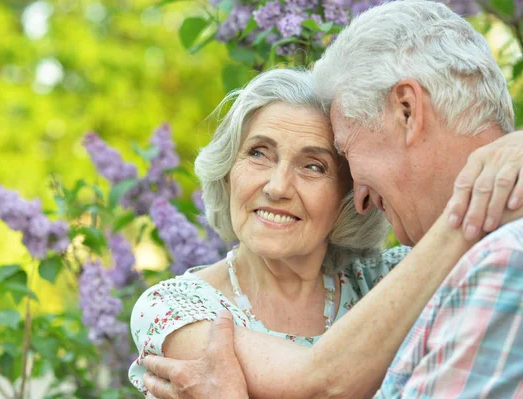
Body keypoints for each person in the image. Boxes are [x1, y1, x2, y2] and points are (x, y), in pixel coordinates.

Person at [140, 1, 523, 398]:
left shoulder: (402, 274)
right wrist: (469, 213)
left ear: (345, 194)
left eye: (314, 166)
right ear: (228, 167)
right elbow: (317, 384)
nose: (277, 186)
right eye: (257, 153)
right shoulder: (179, 307)